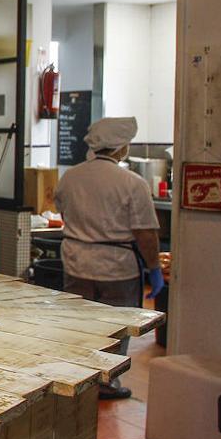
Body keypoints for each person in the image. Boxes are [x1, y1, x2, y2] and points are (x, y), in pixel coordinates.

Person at [54, 116, 165, 400]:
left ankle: (77, 377)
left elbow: (65, 215)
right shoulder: (132, 183)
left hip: (77, 259)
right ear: (121, 147)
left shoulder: (71, 176)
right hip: (117, 266)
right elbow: (145, 233)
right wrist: (154, 269)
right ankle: (107, 383)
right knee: (115, 327)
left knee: (80, 325)